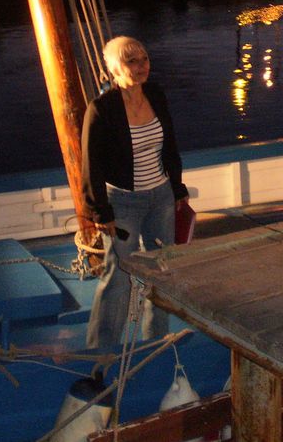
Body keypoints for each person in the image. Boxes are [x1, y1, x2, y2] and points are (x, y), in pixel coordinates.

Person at [82, 36, 189, 349]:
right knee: (120, 277)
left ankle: (156, 342)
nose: (142, 66)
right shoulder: (102, 109)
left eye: (144, 59)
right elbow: (92, 164)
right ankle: (101, 351)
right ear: (116, 68)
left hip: (161, 197)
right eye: (133, 61)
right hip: (123, 203)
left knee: (161, 270)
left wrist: (177, 186)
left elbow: (169, 145)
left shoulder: (155, 94)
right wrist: (100, 211)